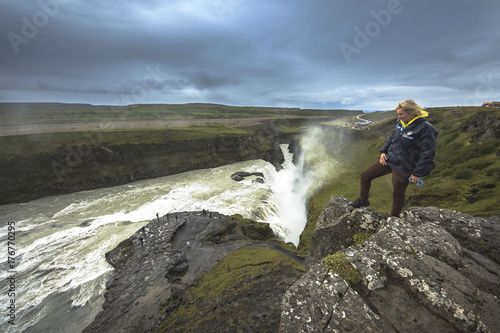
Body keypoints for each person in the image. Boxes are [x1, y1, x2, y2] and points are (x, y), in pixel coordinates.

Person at [350, 99, 438, 217]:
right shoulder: (401, 124)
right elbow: (391, 140)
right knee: (365, 175)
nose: (399, 117)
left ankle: (394, 216)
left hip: (404, 166)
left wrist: (417, 173)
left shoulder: (425, 128)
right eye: (398, 114)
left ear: (412, 112)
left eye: (402, 114)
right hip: (389, 160)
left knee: (398, 193)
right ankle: (363, 200)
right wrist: (383, 152)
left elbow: (427, 153)